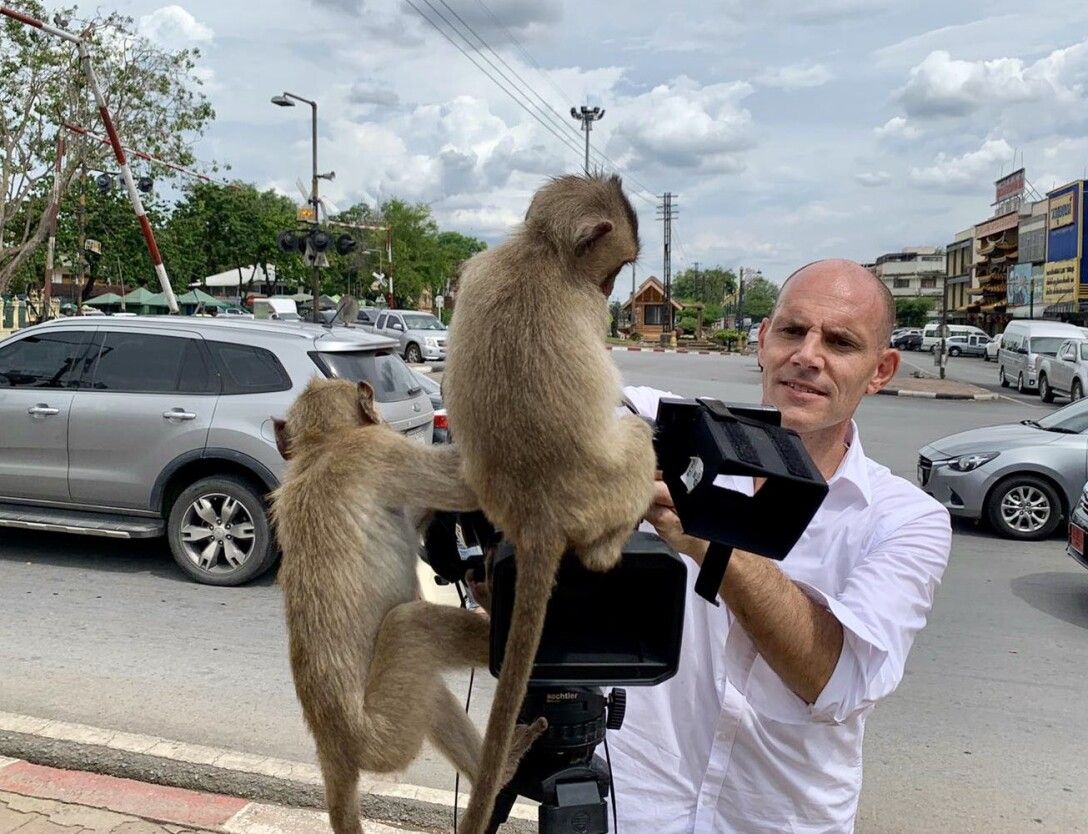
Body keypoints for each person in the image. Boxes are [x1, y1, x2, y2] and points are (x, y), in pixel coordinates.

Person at [609, 259, 952, 833]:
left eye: (840, 342)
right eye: (793, 331)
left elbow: (832, 680)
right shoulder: (658, 426)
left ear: (881, 369)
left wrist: (709, 536)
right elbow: (546, 395)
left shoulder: (906, 520)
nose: (808, 356)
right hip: (635, 805)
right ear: (763, 340)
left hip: (779, 821)